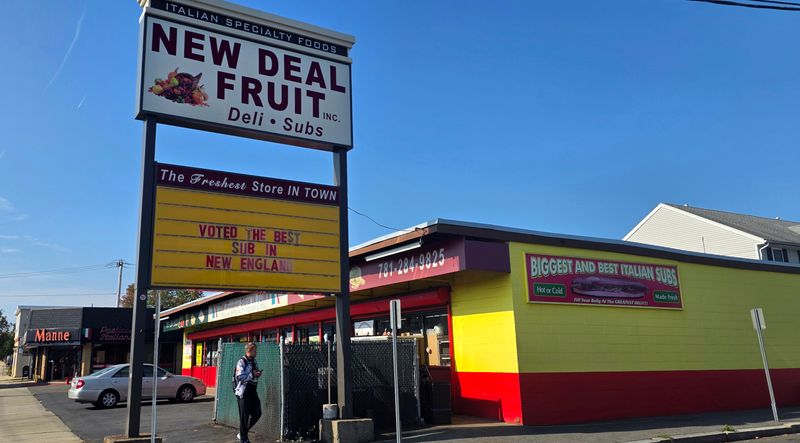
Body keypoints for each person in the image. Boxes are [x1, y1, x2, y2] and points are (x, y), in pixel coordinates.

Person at [234, 342, 262, 443]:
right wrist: (252, 375)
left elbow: (255, 372)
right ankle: (244, 439)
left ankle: (242, 433)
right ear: (250, 350)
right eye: (255, 350)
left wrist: (258, 374)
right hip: (243, 392)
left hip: (253, 391)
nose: (256, 352)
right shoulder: (242, 362)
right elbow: (240, 377)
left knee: (257, 413)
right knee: (244, 417)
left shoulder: (254, 361)